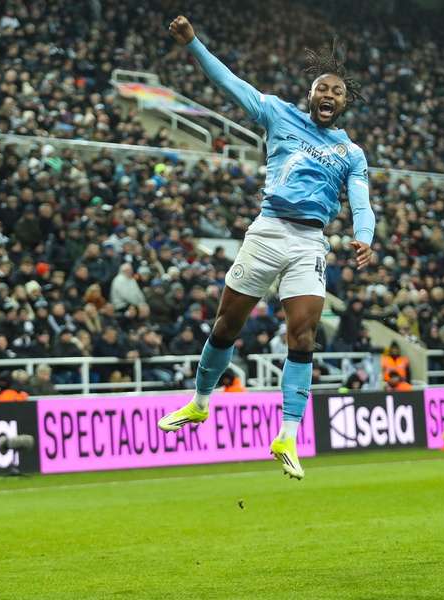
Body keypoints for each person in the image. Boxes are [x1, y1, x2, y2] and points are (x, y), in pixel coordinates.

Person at [157, 15, 375, 480]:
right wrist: (194, 43)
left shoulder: (351, 153)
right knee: (227, 325)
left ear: (344, 102)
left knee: (303, 335)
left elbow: (361, 201)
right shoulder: (278, 113)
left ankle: (288, 436)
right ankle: (199, 404)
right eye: (323, 87)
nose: (329, 94)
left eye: (337, 91)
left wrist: (365, 236)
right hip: (268, 230)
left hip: (308, 242)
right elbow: (228, 82)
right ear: (311, 93)